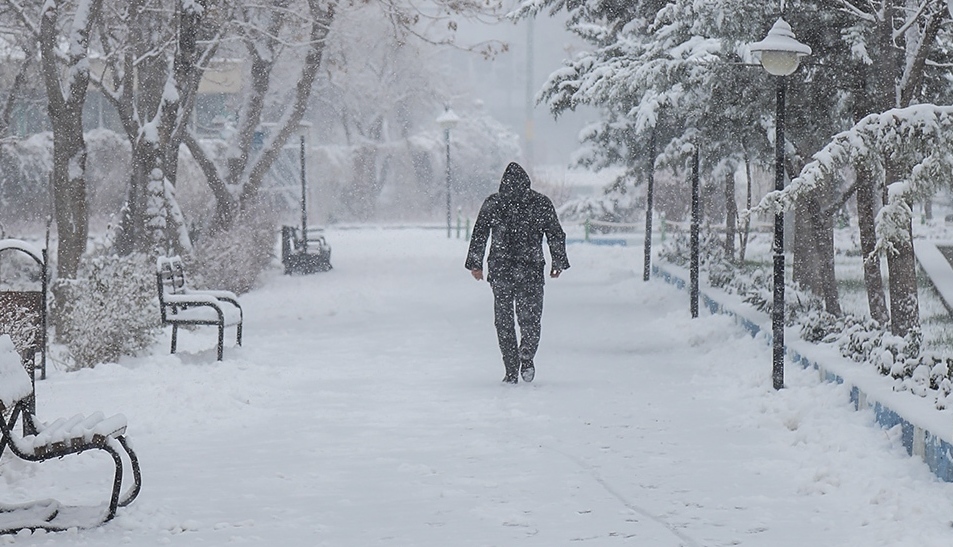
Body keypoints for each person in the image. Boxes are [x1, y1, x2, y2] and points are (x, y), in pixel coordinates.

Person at [465, 162, 570, 384]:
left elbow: (479, 234)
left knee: (503, 321)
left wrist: (476, 264)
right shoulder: (540, 203)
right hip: (530, 269)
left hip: (501, 269)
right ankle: (527, 354)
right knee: (530, 319)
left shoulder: (493, 203)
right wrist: (557, 261)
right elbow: (555, 233)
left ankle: (511, 369)